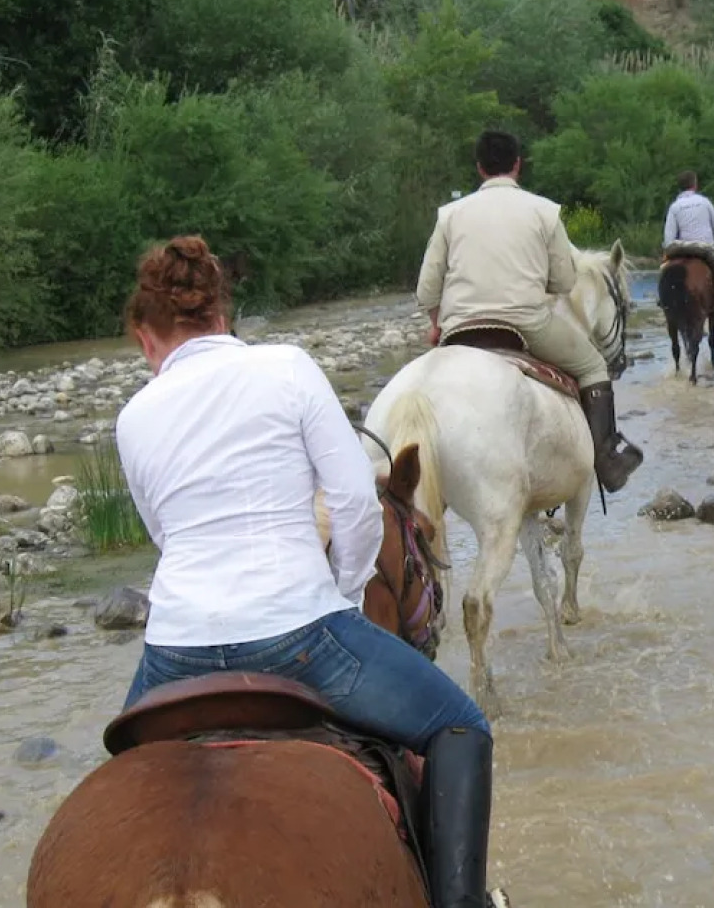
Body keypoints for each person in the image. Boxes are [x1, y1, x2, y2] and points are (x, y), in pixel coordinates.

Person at [114, 235, 495, 908]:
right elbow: (354, 506)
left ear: (146, 337)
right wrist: (341, 598)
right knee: (460, 726)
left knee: (118, 793)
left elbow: (165, 538)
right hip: (296, 633)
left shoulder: (134, 415)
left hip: (173, 652)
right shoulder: (287, 368)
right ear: (223, 316)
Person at [416, 130, 642, 493]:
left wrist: (434, 325)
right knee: (593, 366)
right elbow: (565, 281)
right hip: (525, 325)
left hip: (460, 329)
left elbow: (426, 289)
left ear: (479, 168)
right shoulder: (544, 211)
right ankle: (607, 461)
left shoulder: (449, 215)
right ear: (518, 165)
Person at [661, 170, 714, 315]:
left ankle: (663, 299)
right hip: (706, 247)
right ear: (695, 184)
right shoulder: (704, 201)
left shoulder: (674, 207)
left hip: (682, 248)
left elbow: (669, 237)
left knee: (665, 271)